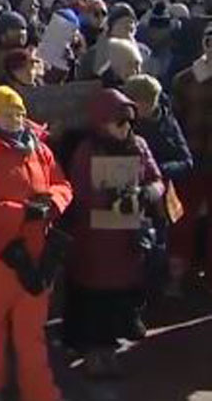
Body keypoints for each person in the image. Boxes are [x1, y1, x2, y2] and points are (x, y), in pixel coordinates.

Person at [0, 86, 72, 401]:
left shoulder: (38, 147)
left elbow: (62, 183)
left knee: (31, 335)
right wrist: (25, 213)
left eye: (20, 112)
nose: (16, 119)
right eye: (8, 113)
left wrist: (54, 203)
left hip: (35, 254)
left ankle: (41, 394)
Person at [61, 88, 164, 377]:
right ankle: (94, 351)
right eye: (120, 122)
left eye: (130, 121)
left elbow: (157, 179)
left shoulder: (139, 146)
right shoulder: (87, 150)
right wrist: (113, 197)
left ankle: (110, 344)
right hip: (94, 240)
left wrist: (147, 193)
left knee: (119, 295)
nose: (127, 127)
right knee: (94, 297)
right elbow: (79, 193)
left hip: (127, 238)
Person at [123, 74, 192, 297]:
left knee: (157, 246)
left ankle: (153, 292)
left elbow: (186, 160)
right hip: (128, 193)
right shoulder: (122, 122)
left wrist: (158, 171)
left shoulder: (167, 123)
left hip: (158, 198)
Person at [168, 20, 212, 293]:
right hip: (193, 159)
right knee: (183, 221)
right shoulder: (185, 79)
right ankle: (176, 276)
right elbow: (175, 122)